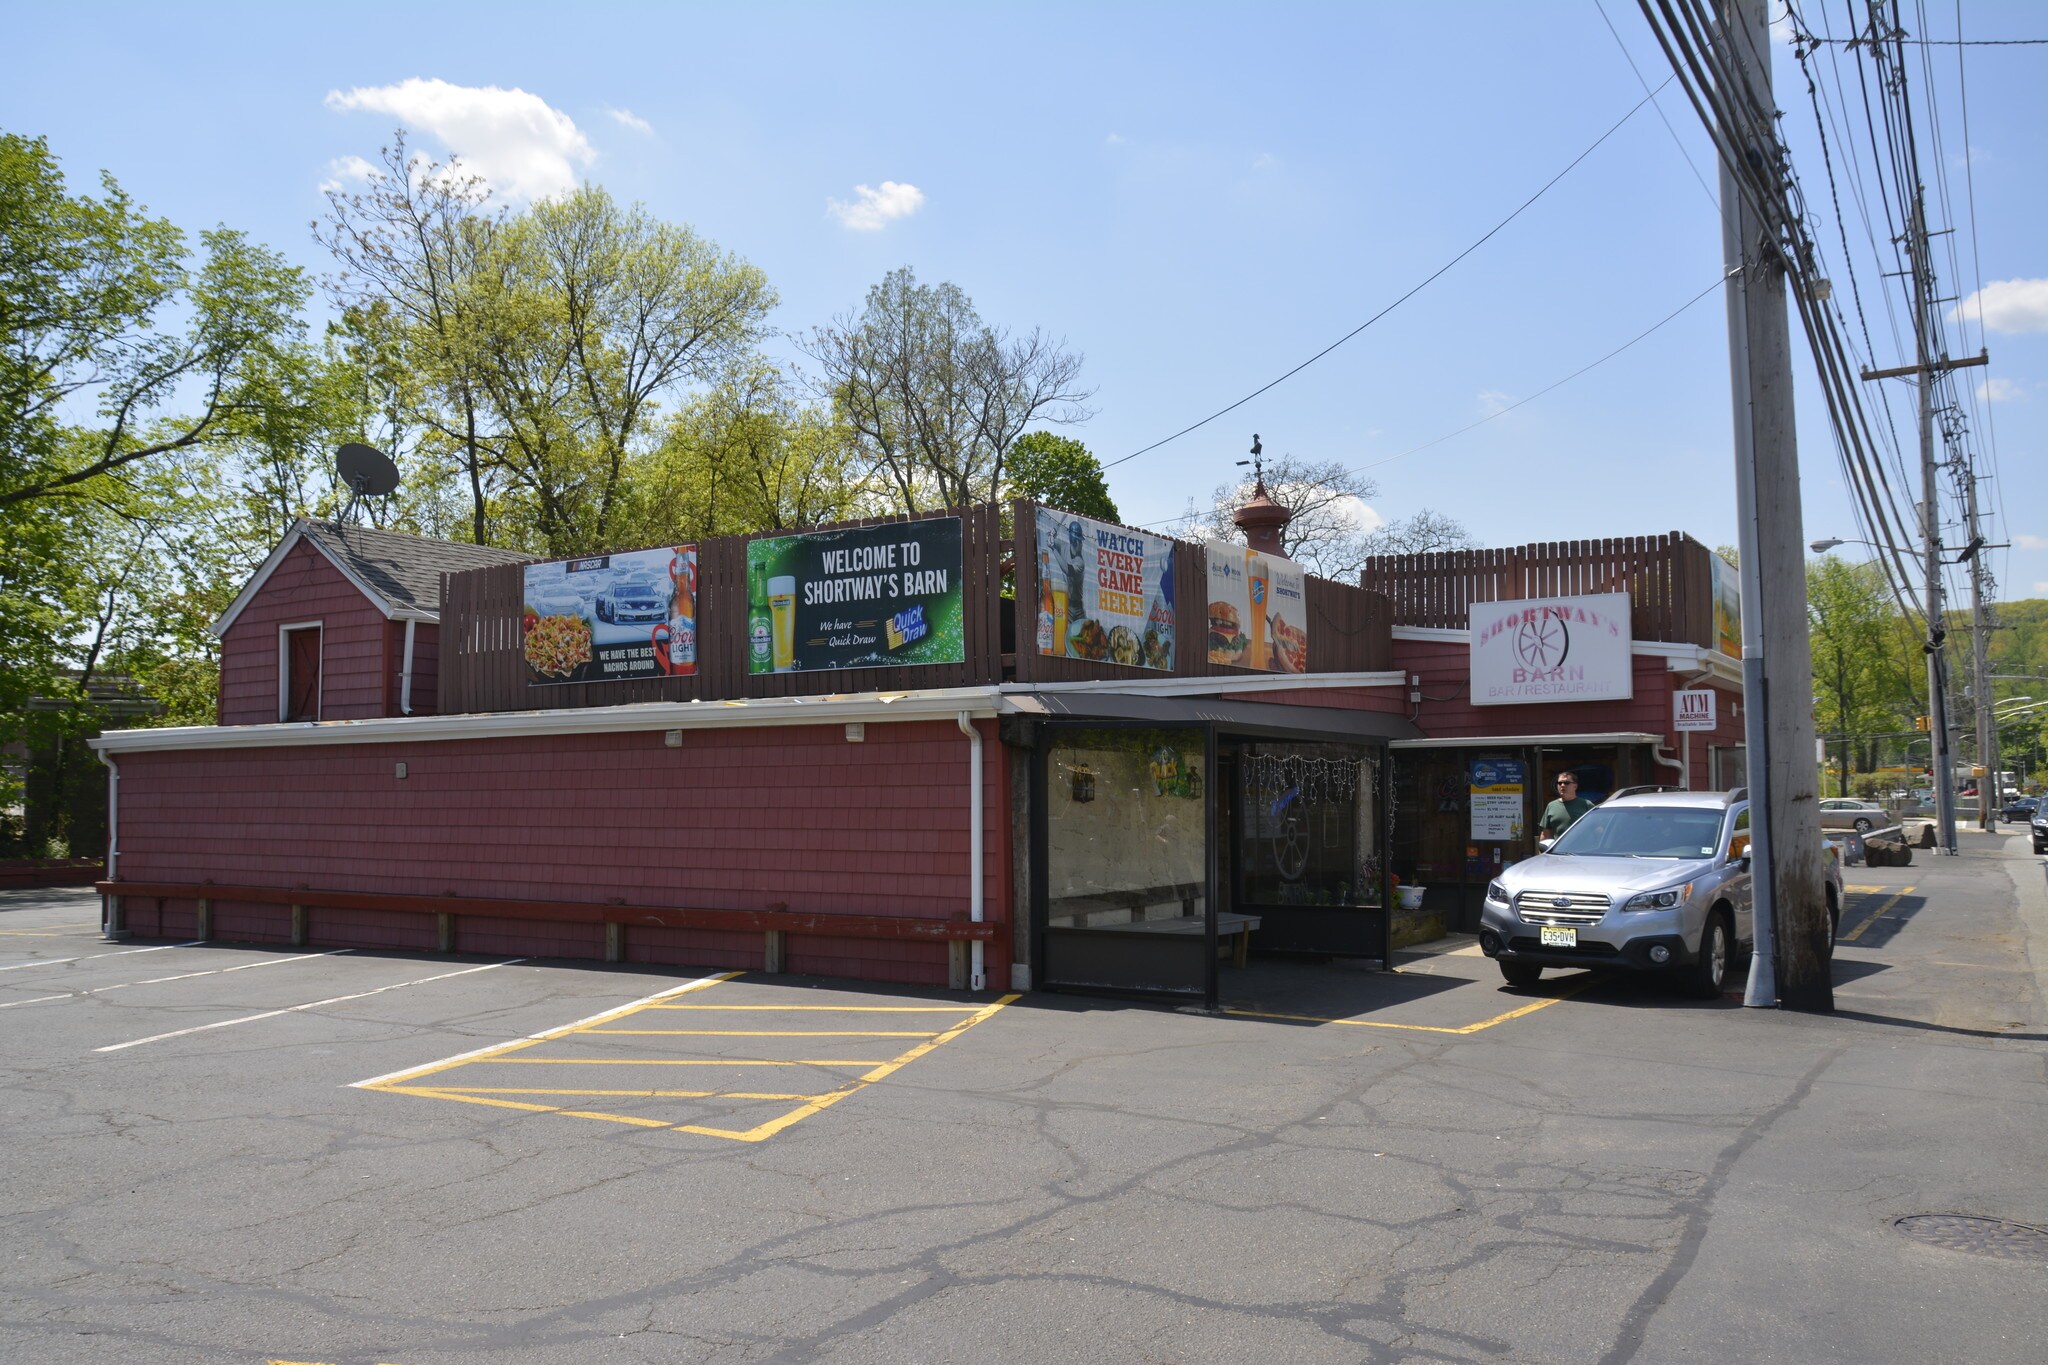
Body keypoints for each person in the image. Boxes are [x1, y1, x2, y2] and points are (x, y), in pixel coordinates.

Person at [1539, 772, 1596, 844]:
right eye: (1559, 783)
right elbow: (1546, 834)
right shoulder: (1551, 806)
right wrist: (1543, 852)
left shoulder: (1587, 805)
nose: (1562, 785)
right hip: (1560, 852)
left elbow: (1599, 829)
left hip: (1583, 851)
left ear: (1575, 786)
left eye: (1566, 783)